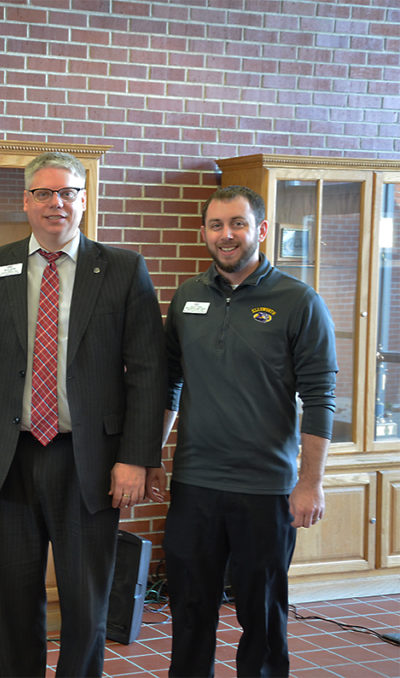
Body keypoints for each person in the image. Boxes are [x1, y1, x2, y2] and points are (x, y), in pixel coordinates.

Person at [0, 152, 166, 677]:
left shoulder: (122, 269)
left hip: (90, 459)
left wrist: (136, 458)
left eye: (68, 192)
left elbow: (148, 371)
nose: (56, 203)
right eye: (44, 193)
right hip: (10, 456)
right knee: (16, 601)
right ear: (26, 201)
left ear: (84, 200)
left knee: (87, 601)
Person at [145, 185, 337, 677]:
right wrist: (153, 457)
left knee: (263, 614)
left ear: (261, 230)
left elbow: (319, 399)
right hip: (195, 485)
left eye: (237, 224)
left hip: (266, 489)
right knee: (189, 611)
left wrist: (310, 482)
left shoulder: (299, 301)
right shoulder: (188, 296)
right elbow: (169, 384)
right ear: (204, 231)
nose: (226, 235)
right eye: (216, 225)